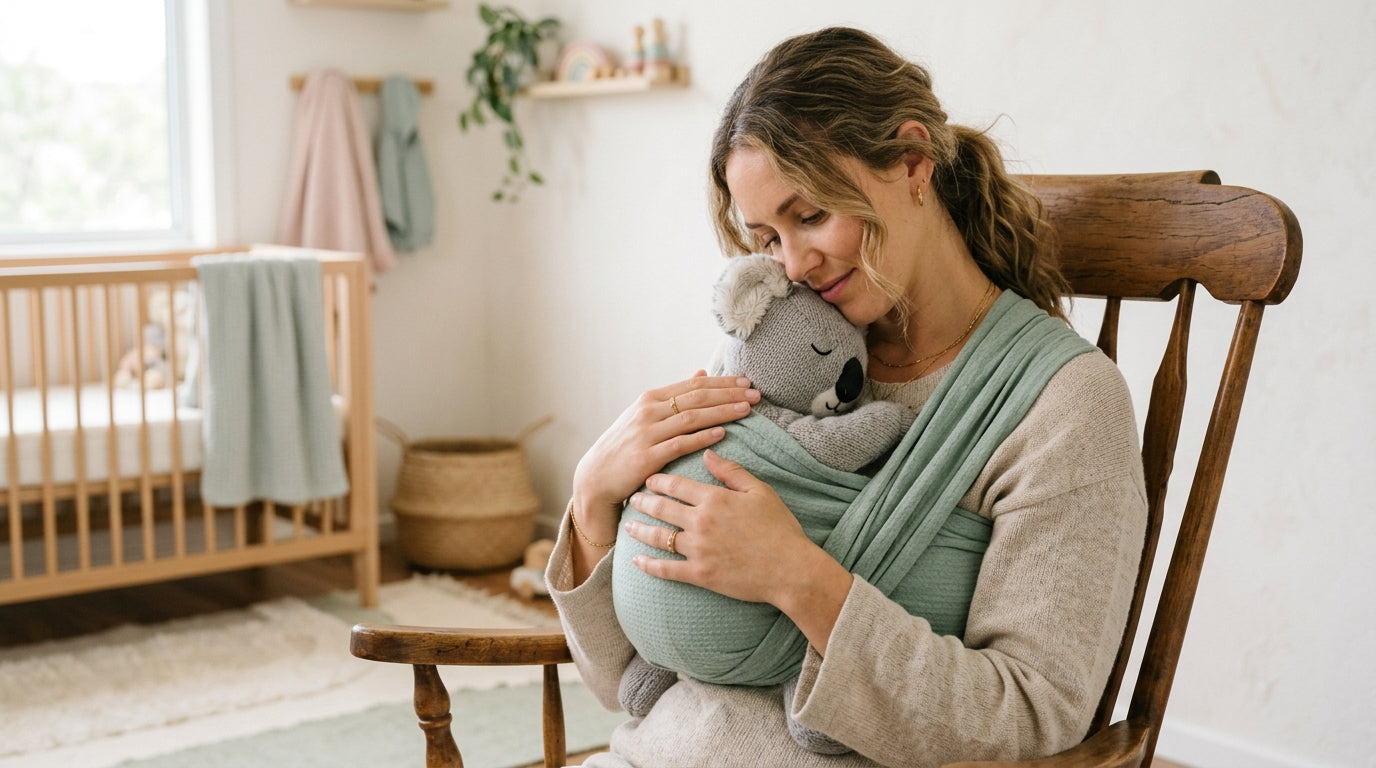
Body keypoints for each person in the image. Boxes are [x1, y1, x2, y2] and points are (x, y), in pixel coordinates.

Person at [548, 26, 1147, 768]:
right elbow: (622, 682)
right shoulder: (781, 350)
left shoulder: (1063, 405)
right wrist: (592, 505)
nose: (793, 265)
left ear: (913, 163)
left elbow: (1034, 712)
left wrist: (798, 578)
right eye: (766, 237)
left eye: (810, 216)